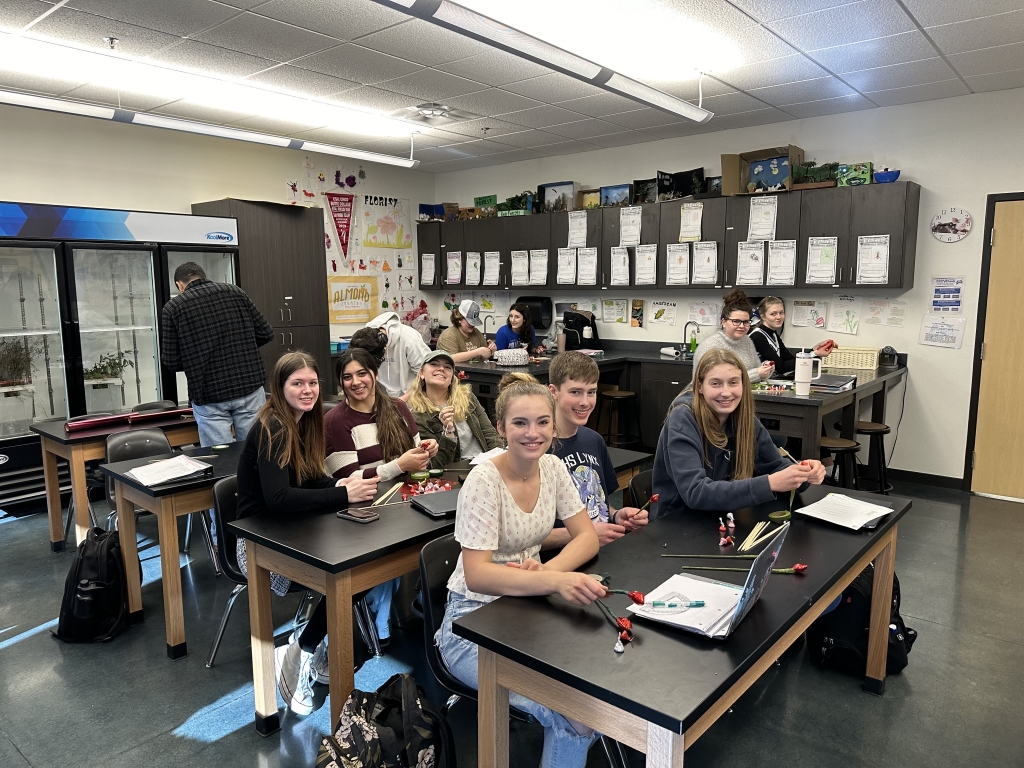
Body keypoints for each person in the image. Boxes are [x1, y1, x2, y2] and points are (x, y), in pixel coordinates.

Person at [438, 373, 604, 768]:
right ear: (500, 428)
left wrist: (547, 578)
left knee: (594, 694)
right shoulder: (484, 480)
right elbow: (476, 574)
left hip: (526, 610)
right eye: (520, 423)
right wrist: (548, 580)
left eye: (542, 422)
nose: (533, 433)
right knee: (576, 713)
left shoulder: (552, 468)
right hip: (471, 623)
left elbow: (587, 538)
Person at [235, 351, 380, 716]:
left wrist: (337, 481)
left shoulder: (303, 422)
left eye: (312, 382)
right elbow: (279, 498)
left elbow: (309, 476)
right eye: (297, 383)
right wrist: (343, 494)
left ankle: (306, 644)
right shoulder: (274, 427)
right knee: (348, 573)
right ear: (279, 387)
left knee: (366, 568)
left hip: (293, 528)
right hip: (259, 542)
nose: (307, 390)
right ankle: (306, 647)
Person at [321, 348, 440, 663]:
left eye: (362, 373)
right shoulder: (335, 421)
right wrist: (398, 464)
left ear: (374, 374)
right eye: (347, 377)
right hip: (363, 508)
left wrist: (427, 449)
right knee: (391, 547)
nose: (356, 382)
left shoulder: (398, 407)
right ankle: (382, 614)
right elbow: (349, 479)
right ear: (340, 383)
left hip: (404, 498)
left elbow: (416, 454)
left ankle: (419, 603)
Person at [652, 348, 826, 518]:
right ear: (699, 387)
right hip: (677, 522)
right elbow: (695, 492)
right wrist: (770, 483)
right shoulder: (683, 418)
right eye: (715, 383)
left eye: (734, 382)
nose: (726, 392)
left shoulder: (743, 420)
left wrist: (803, 473)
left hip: (720, 516)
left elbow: (776, 466)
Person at [160, 261, 273, 446]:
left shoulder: (173, 308)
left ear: (179, 285)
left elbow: (171, 361)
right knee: (257, 451)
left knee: (219, 457)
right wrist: (244, 348)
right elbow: (266, 333)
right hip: (249, 386)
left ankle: (226, 477)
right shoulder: (235, 292)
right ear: (203, 276)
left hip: (207, 393)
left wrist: (195, 360)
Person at [540, 352, 646, 549]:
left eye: (591, 392)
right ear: (553, 392)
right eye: (575, 392)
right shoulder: (538, 450)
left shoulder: (594, 440)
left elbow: (599, 504)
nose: (585, 402)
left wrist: (616, 515)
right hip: (561, 563)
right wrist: (585, 535)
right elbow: (528, 538)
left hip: (603, 552)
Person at [406, 349, 503, 467]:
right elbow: (435, 465)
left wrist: (500, 460)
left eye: (447, 367)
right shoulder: (416, 415)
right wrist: (448, 433)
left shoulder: (467, 397)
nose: (441, 368)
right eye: (434, 364)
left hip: (484, 465)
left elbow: (489, 434)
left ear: (452, 377)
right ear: (421, 373)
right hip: (454, 472)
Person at [691, 289, 774, 385]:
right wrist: (756, 374)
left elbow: (756, 369)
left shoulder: (747, 341)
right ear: (723, 322)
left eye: (746, 322)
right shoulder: (710, 347)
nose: (742, 326)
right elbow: (717, 382)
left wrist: (765, 368)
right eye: (736, 321)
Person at [353, 311, 431, 401]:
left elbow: (425, 375)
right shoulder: (365, 338)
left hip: (411, 397)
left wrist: (403, 399)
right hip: (384, 397)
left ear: (384, 348)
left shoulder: (410, 340)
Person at [749, 297, 835, 375]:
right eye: (773, 314)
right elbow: (781, 367)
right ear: (763, 316)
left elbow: (789, 360)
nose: (779, 317)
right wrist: (813, 354)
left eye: (781, 313)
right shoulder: (758, 336)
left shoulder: (773, 334)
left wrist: (815, 349)